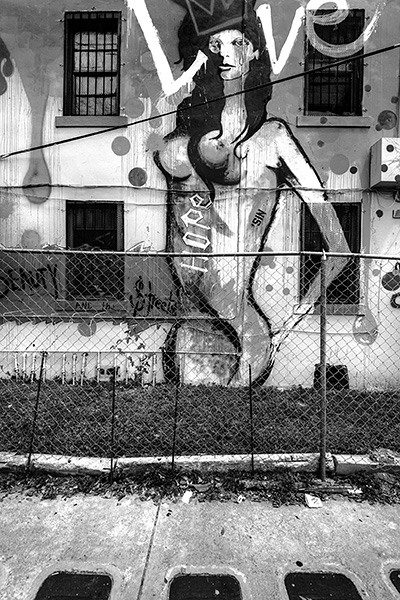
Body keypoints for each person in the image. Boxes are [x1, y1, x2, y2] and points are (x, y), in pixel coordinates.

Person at [155, 0, 349, 386]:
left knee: (232, 420)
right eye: (216, 45)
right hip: (191, 326)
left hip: (245, 330)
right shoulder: (185, 136)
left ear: (255, 51)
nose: (225, 52)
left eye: (237, 43)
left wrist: (292, 321)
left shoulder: (274, 139)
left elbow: (339, 250)